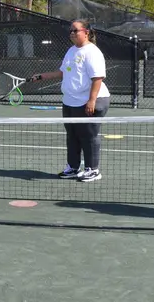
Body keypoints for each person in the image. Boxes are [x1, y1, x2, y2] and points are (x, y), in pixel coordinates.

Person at [29, 18, 111, 182]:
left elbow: (97, 78)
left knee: (88, 135)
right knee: (72, 136)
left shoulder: (92, 52)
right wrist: (42, 76)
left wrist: (91, 101)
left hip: (91, 100)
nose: (72, 33)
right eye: (71, 31)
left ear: (86, 33)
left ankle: (93, 170)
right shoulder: (71, 51)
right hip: (70, 101)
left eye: (75, 30)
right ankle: (73, 168)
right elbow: (63, 72)